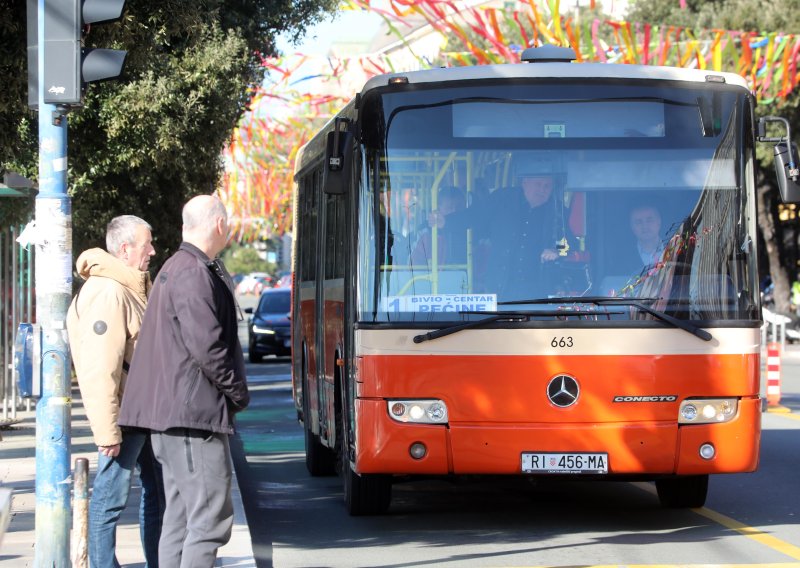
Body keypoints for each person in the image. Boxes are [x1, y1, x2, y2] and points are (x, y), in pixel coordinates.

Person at [118, 194, 250, 567]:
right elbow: (207, 347)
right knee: (208, 519)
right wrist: (238, 393)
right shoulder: (193, 272)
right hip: (192, 418)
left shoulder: (177, 268)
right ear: (220, 225)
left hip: (175, 417)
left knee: (179, 517)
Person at [66, 215, 164, 568]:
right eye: (146, 244)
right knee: (110, 500)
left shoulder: (128, 287)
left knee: (158, 493)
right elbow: (98, 369)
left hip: (142, 410)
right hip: (126, 415)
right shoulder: (109, 292)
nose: (152, 251)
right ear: (125, 250)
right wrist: (107, 431)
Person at [483, 167, 573, 299]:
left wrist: (557, 250)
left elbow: (571, 242)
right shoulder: (503, 201)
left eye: (547, 186)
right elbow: (475, 216)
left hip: (539, 289)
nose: (542, 190)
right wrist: (445, 223)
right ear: (525, 183)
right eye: (538, 184)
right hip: (501, 287)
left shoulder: (559, 212)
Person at [624, 204, 665, 273]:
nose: (645, 226)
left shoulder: (676, 249)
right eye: (638, 222)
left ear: (659, 222)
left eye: (649, 220)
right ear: (632, 227)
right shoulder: (623, 258)